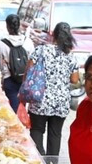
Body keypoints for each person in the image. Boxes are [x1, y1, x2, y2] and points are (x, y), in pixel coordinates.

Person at [25, 22, 79, 156]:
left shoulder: (41, 50)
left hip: (39, 99)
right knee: (55, 134)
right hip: (60, 102)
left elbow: (29, 71)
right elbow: (74, 80)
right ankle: (52, 163)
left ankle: (39, 160)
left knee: (37, 130)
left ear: (53, 35)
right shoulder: (71, 56)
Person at [0, 14, 33, 112]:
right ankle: (21, 123)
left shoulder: (1, 44)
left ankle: (17, 125)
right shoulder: (28, 41)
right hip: (24, 80)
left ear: (7, 26)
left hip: (9, 79)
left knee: (14, 108)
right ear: (19, 25)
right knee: (22, 107)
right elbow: (32, 61)